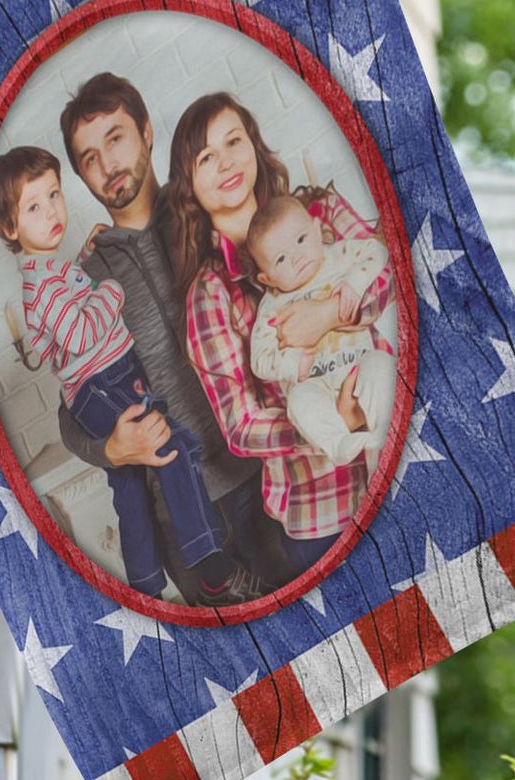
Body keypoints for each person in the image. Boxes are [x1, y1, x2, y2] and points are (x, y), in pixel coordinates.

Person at [51, 73, 284, 597]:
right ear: (83, 179)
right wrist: (111, 449)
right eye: (89, 158)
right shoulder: (83, 281)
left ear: (148, 132)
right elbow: (70, 413)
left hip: (272, 473)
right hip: (186, 519)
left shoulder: (212, 212)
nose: (108, 164)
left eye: (116, 138)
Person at [0, 144, 242, 604]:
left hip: (102, 380)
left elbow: (45, 346)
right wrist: (110, 291)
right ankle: (207, 557)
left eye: (55, 194)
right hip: (105, 383)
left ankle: (143, 580)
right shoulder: (40, 284)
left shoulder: (47, 272)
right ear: (10, 227)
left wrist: (82, 268)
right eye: (34, 206)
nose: (52, 212)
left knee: (127, 481)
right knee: (175, 446)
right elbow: (80, 335)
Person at [161, 92, 395, 574]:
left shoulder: (319, 211)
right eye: (207, 157)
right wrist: (335, 419)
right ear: (189, 184)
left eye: (234, 141)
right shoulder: (209, 295)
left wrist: (329, 312)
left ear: (254, 145)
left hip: (397, 441)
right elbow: (241, 427)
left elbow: (389, 274)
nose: (226, 161)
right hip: (320, 508)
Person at [246, 194, 397, 475]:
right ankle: (339, 443)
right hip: (315, 385)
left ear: (317, 229)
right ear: (266, 278)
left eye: (301, 239)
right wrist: (293, 365)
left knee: (381, 365)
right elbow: (260, 360)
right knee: (300, 402)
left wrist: (354, 283)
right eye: (281, 259)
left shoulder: (337, 256)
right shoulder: (271, 307)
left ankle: (386, 436)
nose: (297, 257)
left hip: (358, 364)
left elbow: (378, 252)